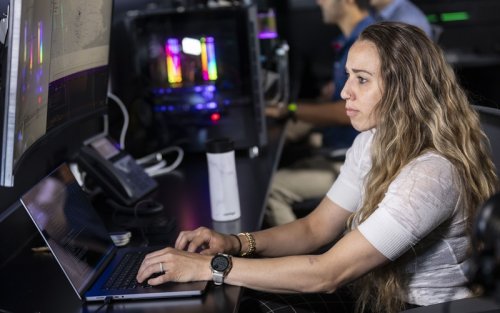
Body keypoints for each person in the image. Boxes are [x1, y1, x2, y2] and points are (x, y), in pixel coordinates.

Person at [137, 22, 499, 313]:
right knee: (257, 301)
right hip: (378, 295)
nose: (344, 92)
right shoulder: (372, 142)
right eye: (348, 76)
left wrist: (209, 267)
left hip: (425, 306)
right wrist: (233, 243)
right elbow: (315, 228)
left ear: (403, 89)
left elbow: (328, 274)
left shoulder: (430, 174)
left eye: (362, 79)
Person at [265, 0, 375, 226]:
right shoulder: (350, 40)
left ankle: (293, 258)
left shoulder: (366, 43)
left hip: (352, 156)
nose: (319, 2)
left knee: (271, 189)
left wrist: (291, 109)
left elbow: (346, 113)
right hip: (340, 146)